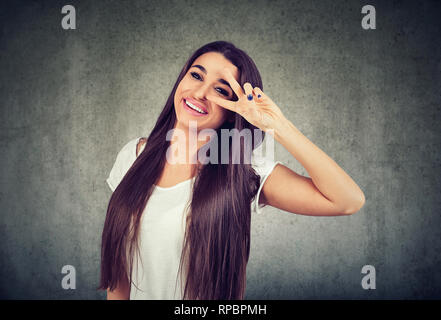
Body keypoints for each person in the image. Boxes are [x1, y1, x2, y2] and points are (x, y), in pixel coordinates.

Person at [98, 41, 365, 300]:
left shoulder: (243, 174)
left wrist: (277, 125)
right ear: (182, 79)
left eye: (221, 91)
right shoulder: (133, 156)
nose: (200, 94)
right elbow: (119, 277)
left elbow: (347, 201)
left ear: (231, 112)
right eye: (196, 76)